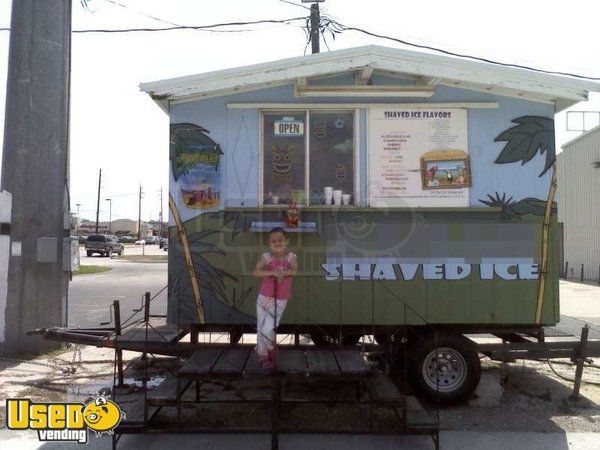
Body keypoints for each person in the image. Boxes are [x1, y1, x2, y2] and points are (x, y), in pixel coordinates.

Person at [252, 227, 298, 369]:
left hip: (280, 299)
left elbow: (295, 271)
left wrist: (283, 272)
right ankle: (263, 357)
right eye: (273, 241)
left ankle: (270, 347)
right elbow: (256, 272)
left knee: (268, 329)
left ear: (287, 241)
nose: (277, 243)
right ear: (269, 243)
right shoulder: (266, 257)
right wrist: (273, 272)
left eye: (280, 240)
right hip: (263, 298)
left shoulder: (291, 257)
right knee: (261, 328)